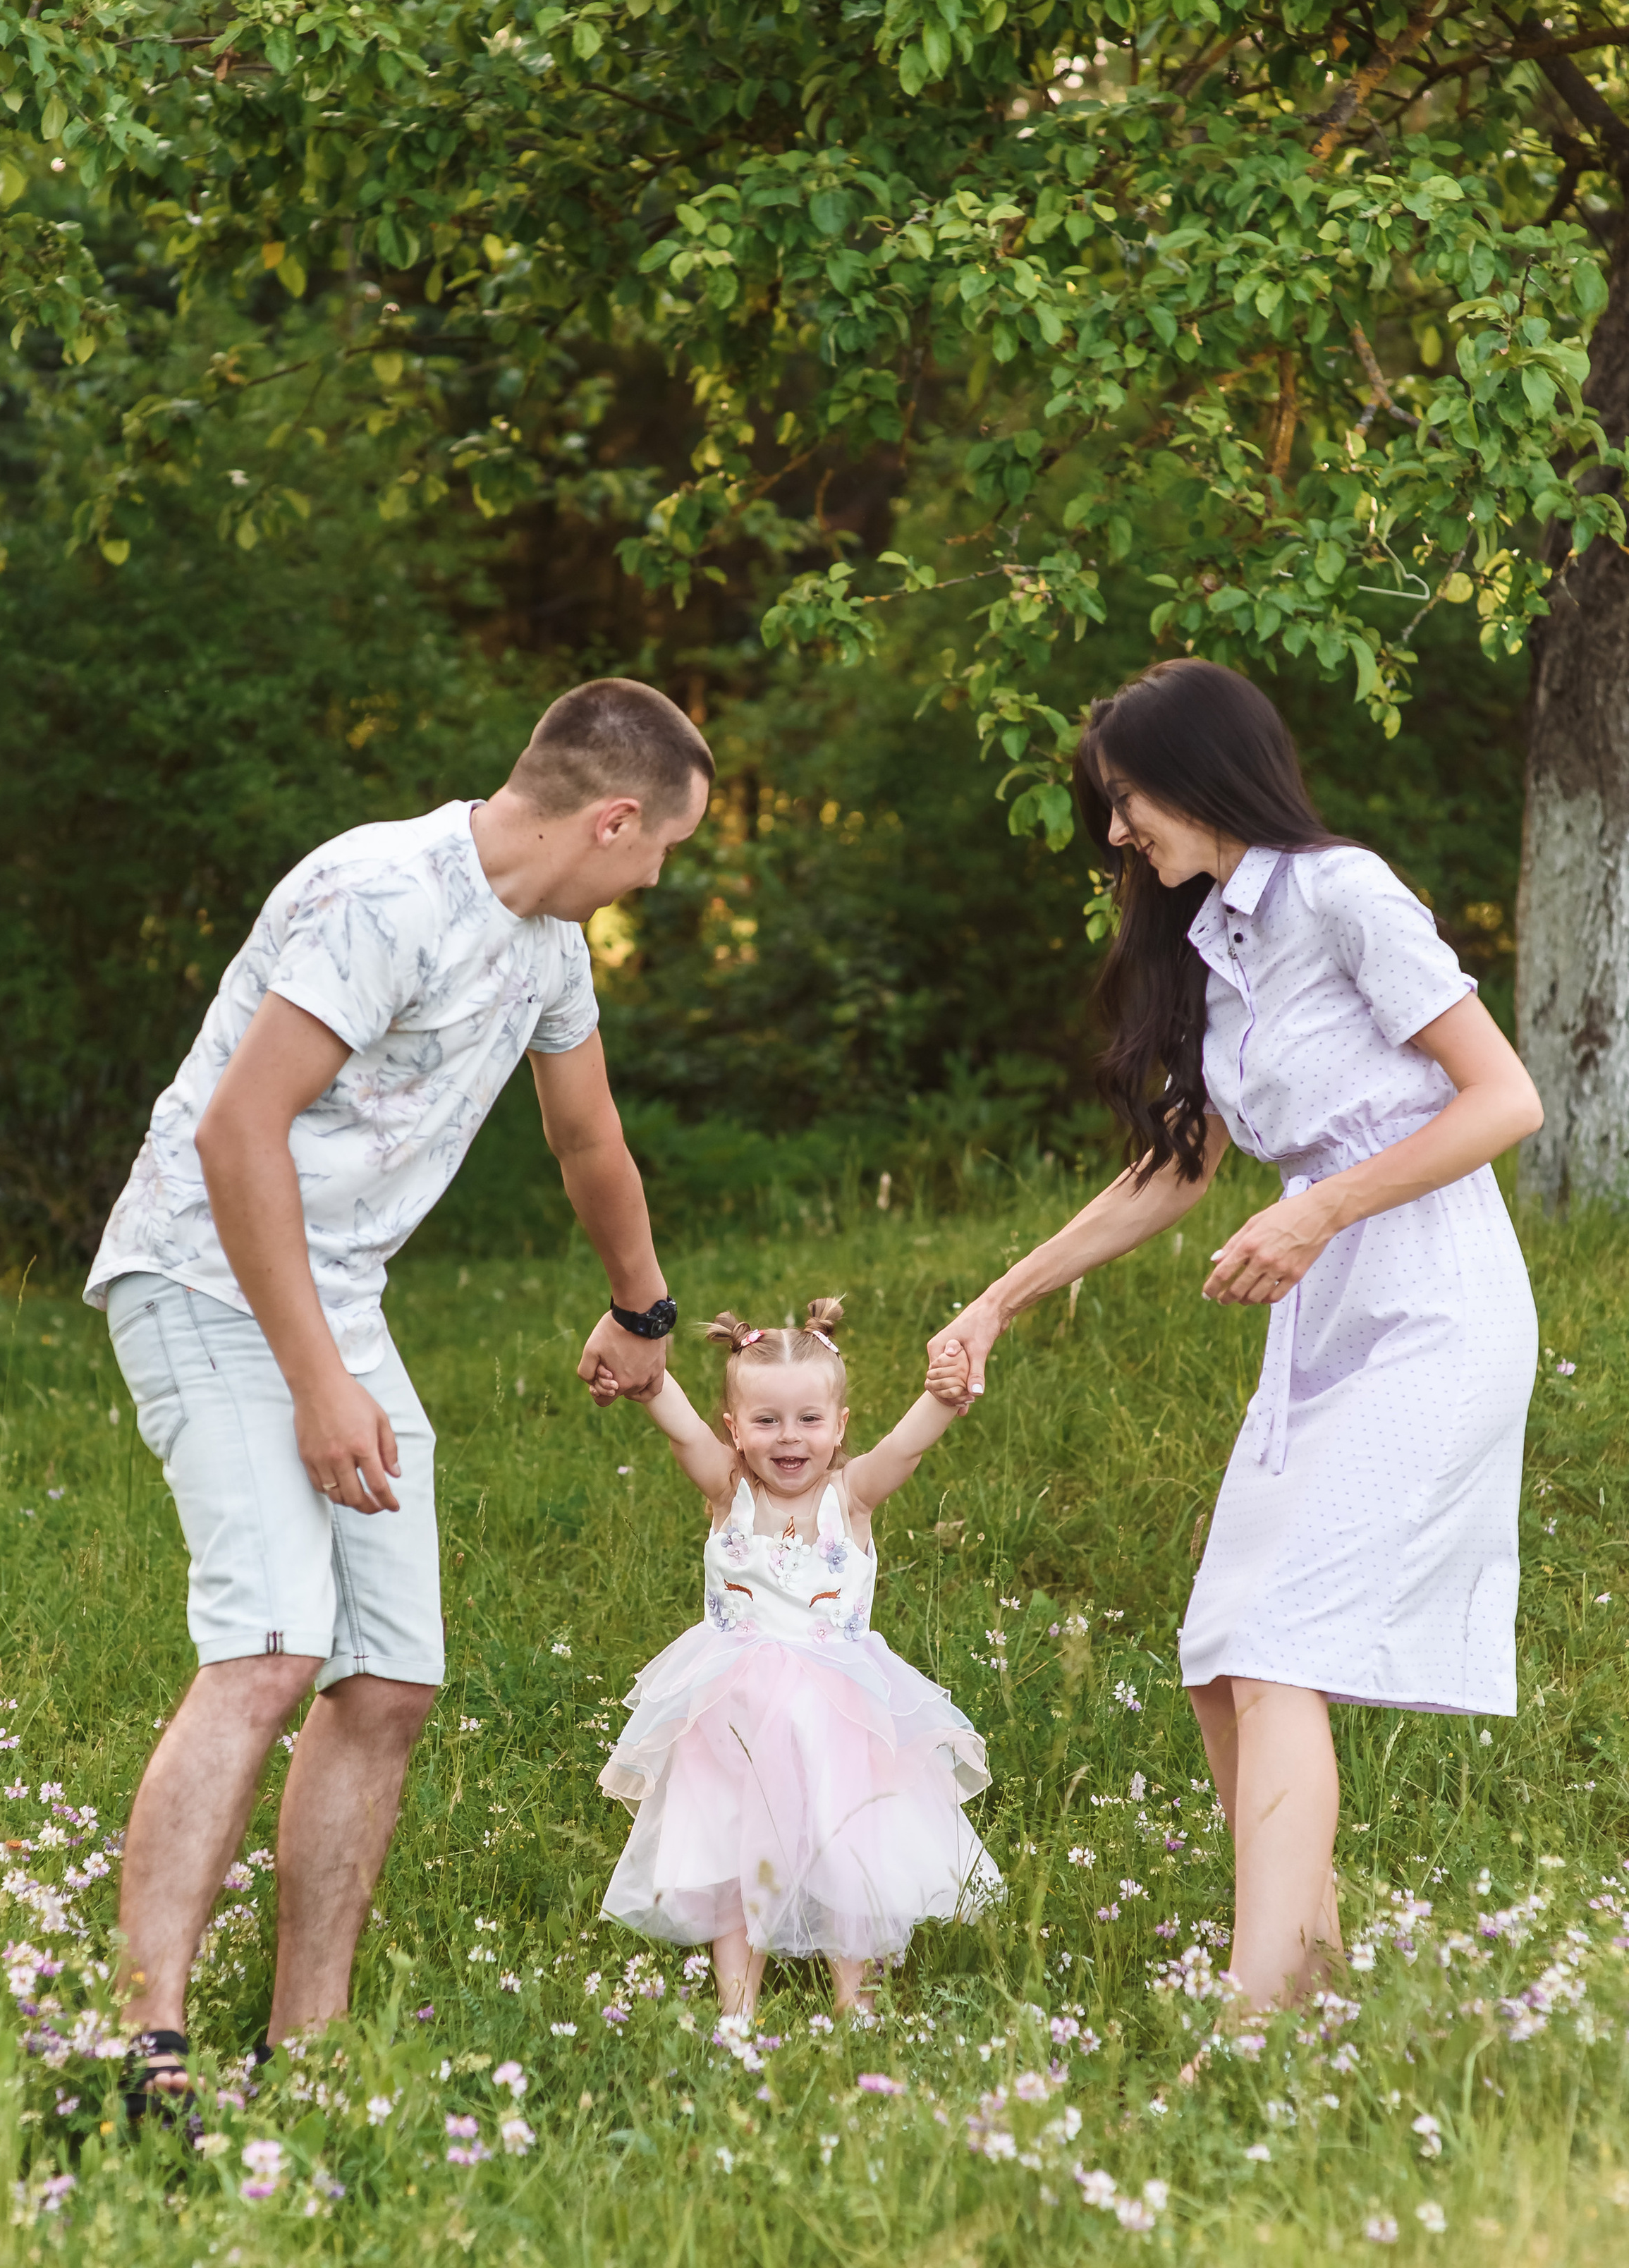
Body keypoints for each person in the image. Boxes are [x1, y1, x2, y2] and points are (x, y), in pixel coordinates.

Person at [84, 677, 713, 2104]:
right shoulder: (385, 894)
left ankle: (304, 2053)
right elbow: (237, 1133)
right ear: (613, 819)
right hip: (201, 1271)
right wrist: (319, 1387)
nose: (656, 879)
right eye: (664, 850)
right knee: (269, 1647)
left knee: (389, 1679)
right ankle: (142, 2047)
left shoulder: (548, 944)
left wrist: (643, 1309)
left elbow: (587, 1137)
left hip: (334, 1295)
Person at [929, 659, 1542, 2017]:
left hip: (1434, 1306)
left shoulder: (1344, 893)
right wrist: (997, 1300)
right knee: (1221, 1656)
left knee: (1278, 1654)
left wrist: (1320, 1207)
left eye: (1126, 799)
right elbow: (1180, 1165)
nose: (1114, 831)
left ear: (1203, 775)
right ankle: (1313, 1989)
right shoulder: (1215, 938)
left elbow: (1506, 1098)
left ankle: (1258, 2021)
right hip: (1318, 1323)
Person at [590, 1298, 1004, 2020]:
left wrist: (943, 1396)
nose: (789, 1437)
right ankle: (736, 2008)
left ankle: (855, 1999)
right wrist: (644, 1379)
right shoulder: (730, 1492)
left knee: (847, 1846)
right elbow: (678, 1425)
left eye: (809, 1419)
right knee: (728, 1846)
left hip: (834, 1715)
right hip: (732, 1713)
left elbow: (906, 1448)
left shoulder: (853, 1497)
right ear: (734, 1429)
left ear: (839, 1425)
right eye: (766, 1420)